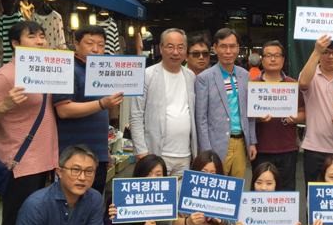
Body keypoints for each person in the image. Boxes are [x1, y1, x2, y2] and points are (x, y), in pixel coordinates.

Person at [0, 21, 58, 225]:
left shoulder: (48, 71)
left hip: (47, 161)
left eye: (42, 36)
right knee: (16, 223)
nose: (40, 41)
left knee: (39, 224)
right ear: (15, 43)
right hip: (20, 165)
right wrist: (3, 106)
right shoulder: (4, 77)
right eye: (32, 37)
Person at [53, 25, 124, 195]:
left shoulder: (101, 71)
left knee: (93, 204)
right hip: (72, 156)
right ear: (76, 45)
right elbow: (63, 110)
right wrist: (101, 104)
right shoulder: (67, 69)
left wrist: (104, 150)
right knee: (69, 205)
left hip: (97, 154)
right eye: (90, 43)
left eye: (101, 45)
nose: (96, 49)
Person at [130, 28, 197, 178]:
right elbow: (136, 115)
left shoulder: (190, 76)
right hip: (156, 154)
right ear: (161, 48)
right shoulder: (147, 75)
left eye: (180, 47)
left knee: (180, 198)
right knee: (157, 199)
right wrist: (141, 150)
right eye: (170, 47)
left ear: (185, 50)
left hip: (185, 154)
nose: (175, 52)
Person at [195, 28, 256, 179]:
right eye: (223, 46)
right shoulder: (205, 78)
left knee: (237, 189)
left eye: (232, 46)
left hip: (241, 143)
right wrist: (206, 152)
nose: (228, 51)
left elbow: (251, 112)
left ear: (237, 48)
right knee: (215, 191)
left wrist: (252, 141)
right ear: (215, 48)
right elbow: (201, 118)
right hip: (216, 144)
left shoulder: (244, 75)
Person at [252, 40, 305, 191]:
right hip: (260, 148)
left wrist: (296, 119)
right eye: (268, 55)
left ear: (283, 59)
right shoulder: (253, 84)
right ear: (262, 60)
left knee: (286, 191)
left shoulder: (292, 84)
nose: (273, 59)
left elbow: (302, 112)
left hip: (287, 148)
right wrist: (257, 118)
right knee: (261, 192)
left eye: (276, 55)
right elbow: (245, 117)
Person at [298, 35, 333, 185]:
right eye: (325, 52)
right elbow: (302, 83)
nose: (331, 56)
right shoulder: (311, 74)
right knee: (313, 198)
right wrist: (316, 51)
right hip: (314, 148)